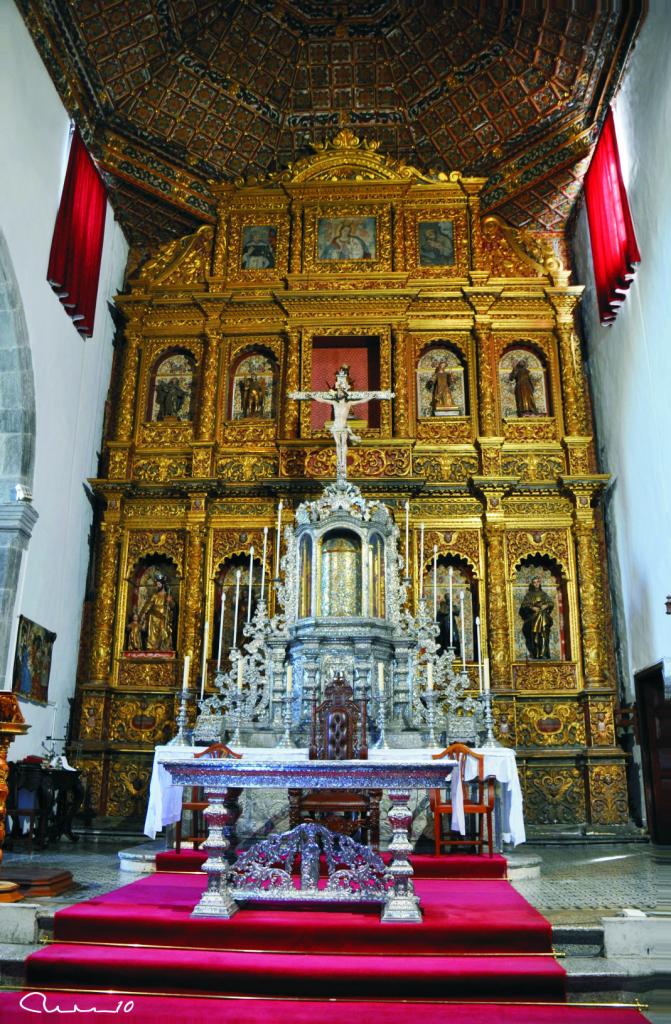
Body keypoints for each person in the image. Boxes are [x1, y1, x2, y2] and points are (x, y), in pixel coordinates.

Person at [519, 575, 554, 659]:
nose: (536, 584)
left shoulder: (544, 594)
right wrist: (532, 608)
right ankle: (539, 654)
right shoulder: (528, 595)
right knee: (540, 618)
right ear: (532, 584)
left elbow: (551, 603)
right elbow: (524, 605)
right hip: (532, 617)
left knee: (542, 618)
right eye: (534, 582)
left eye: (537, 582)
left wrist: (545, 606)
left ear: (540, 583)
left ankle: (543, 653)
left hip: (543, 616)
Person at [138, 574, 175, 651]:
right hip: (154, 617)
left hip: (164, 617)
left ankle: (164, 647)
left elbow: (173, 606)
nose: (157, 586)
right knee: (152, 631)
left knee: (164, 631)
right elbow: (147, 606)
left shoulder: (167, 595)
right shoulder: (154, 596)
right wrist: (142, 615)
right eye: (157, 584)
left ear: (163, 584)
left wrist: (170, 601)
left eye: (159, 584)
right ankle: (151, 647)